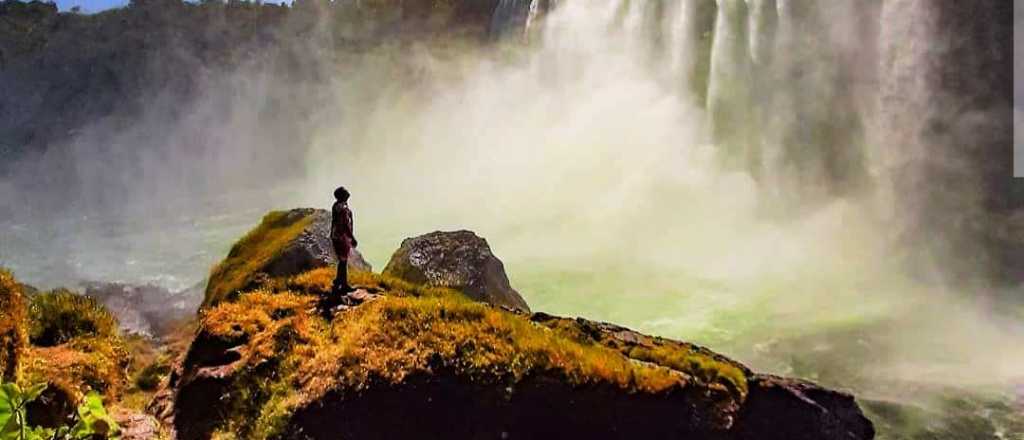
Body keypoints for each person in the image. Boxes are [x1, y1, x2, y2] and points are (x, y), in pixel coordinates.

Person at [330, 186, 357, 298]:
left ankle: (338, 281)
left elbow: (334, 222)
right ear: (343, 195)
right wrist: (352, 238)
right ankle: (344, 285)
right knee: (343, 261)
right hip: (342, 237)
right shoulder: (343, 208)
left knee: (342, 261)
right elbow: (345, 225)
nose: (348, 193)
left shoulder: (336, 206)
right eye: (346, 192)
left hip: (336, 236)